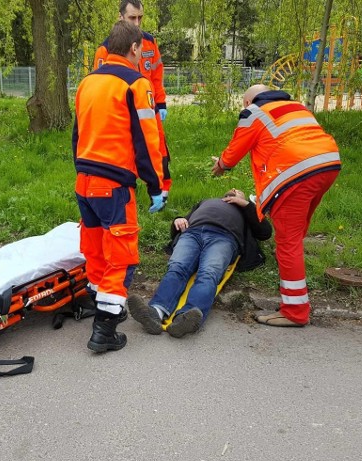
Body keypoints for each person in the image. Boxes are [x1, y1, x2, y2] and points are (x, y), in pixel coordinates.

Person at [211, 85, 341, 327]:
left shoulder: (254, 111)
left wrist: (221, 164)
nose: (244, 107)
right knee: (297, 227)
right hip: (328, 164)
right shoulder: (297, 106)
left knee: (287, 242)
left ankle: (295, 311)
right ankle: (290, 259)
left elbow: (234, 151)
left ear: (249, 100)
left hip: (294, 172)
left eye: (244, 103)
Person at [74, 20, 165, 353]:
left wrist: (81, 167)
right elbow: (146, 139)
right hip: (114, 184)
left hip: (84, 180)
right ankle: (105, 329)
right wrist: (155, 185)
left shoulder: (88, 83)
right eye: (142, 49)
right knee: (121, 258)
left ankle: (97, 304)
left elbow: (77, 134)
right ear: (134, 48)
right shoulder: (135, 83)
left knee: (96, 250)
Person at [127, 189, 272, 338]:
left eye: (238, 191)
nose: (234, 190)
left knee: (208, 274)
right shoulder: (206, 202)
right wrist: (178, 220)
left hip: (224, 238)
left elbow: (265, 232)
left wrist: (246, 205)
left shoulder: (246, 210)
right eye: (231, 191)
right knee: (176, 268)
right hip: (192, 233)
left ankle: (185, 318)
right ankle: (155, 312)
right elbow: (185, 220)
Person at [94, 0, 173, 204]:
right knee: (127, 149)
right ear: (121, 17)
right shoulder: (106, 48)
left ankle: (162, 189)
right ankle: (126, 187)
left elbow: (156, 73)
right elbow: (100, 84)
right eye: (132, 18)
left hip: (148, 103)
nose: (137, 23)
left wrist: (161, 102)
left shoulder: (149, 42)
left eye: (140, 17)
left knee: (157, 146)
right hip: (121, 108)